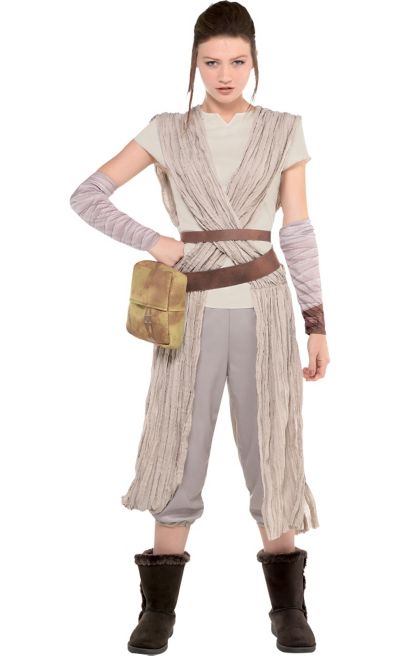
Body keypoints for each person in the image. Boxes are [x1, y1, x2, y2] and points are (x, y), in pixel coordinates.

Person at [70, 2, 330, 653]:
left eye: (237, 61)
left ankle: (288, 610)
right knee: (177, 450)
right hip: (187, 315)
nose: (225, 73)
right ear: (195, 63)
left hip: (265, 311)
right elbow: (87, 195)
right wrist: (154, 241)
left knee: (271, 450)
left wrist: (316, 322)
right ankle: (158, 612)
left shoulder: (284, 130)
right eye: (211, 62)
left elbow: (297, 231)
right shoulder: (167, 130)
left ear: (255, 61)